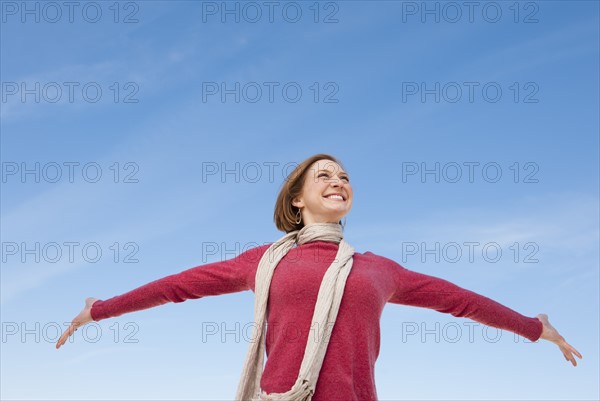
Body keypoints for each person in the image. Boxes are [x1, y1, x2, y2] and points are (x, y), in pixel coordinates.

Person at [56, 153, 582, 401]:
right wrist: (98, 310)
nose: (339, 181)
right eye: (324, 176)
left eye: (346, 176)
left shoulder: (379, 270)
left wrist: (536, 328)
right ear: (297, 199)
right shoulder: (262, 260)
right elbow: (175, 287)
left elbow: (460, 301)